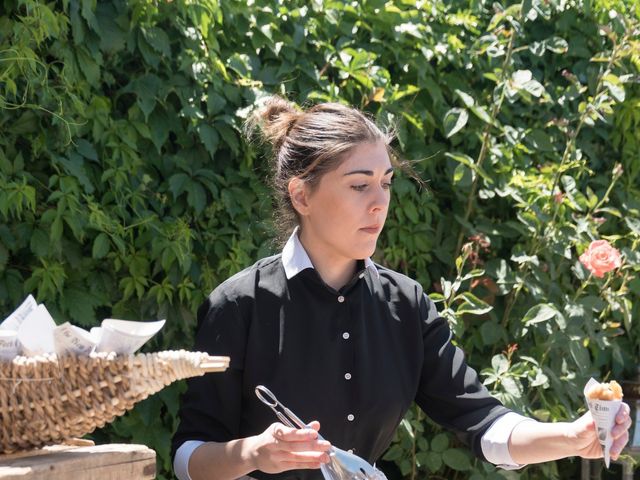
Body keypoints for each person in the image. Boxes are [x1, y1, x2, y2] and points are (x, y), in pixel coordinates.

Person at [171, 97, 632, 480]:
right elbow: (187, 458)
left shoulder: (406, 305)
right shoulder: (239, 304)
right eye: (359, 185)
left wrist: (573, 437)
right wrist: (252, 454)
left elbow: (483, 423)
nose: (379, 204)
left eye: (386, 184)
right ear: (301, 195)